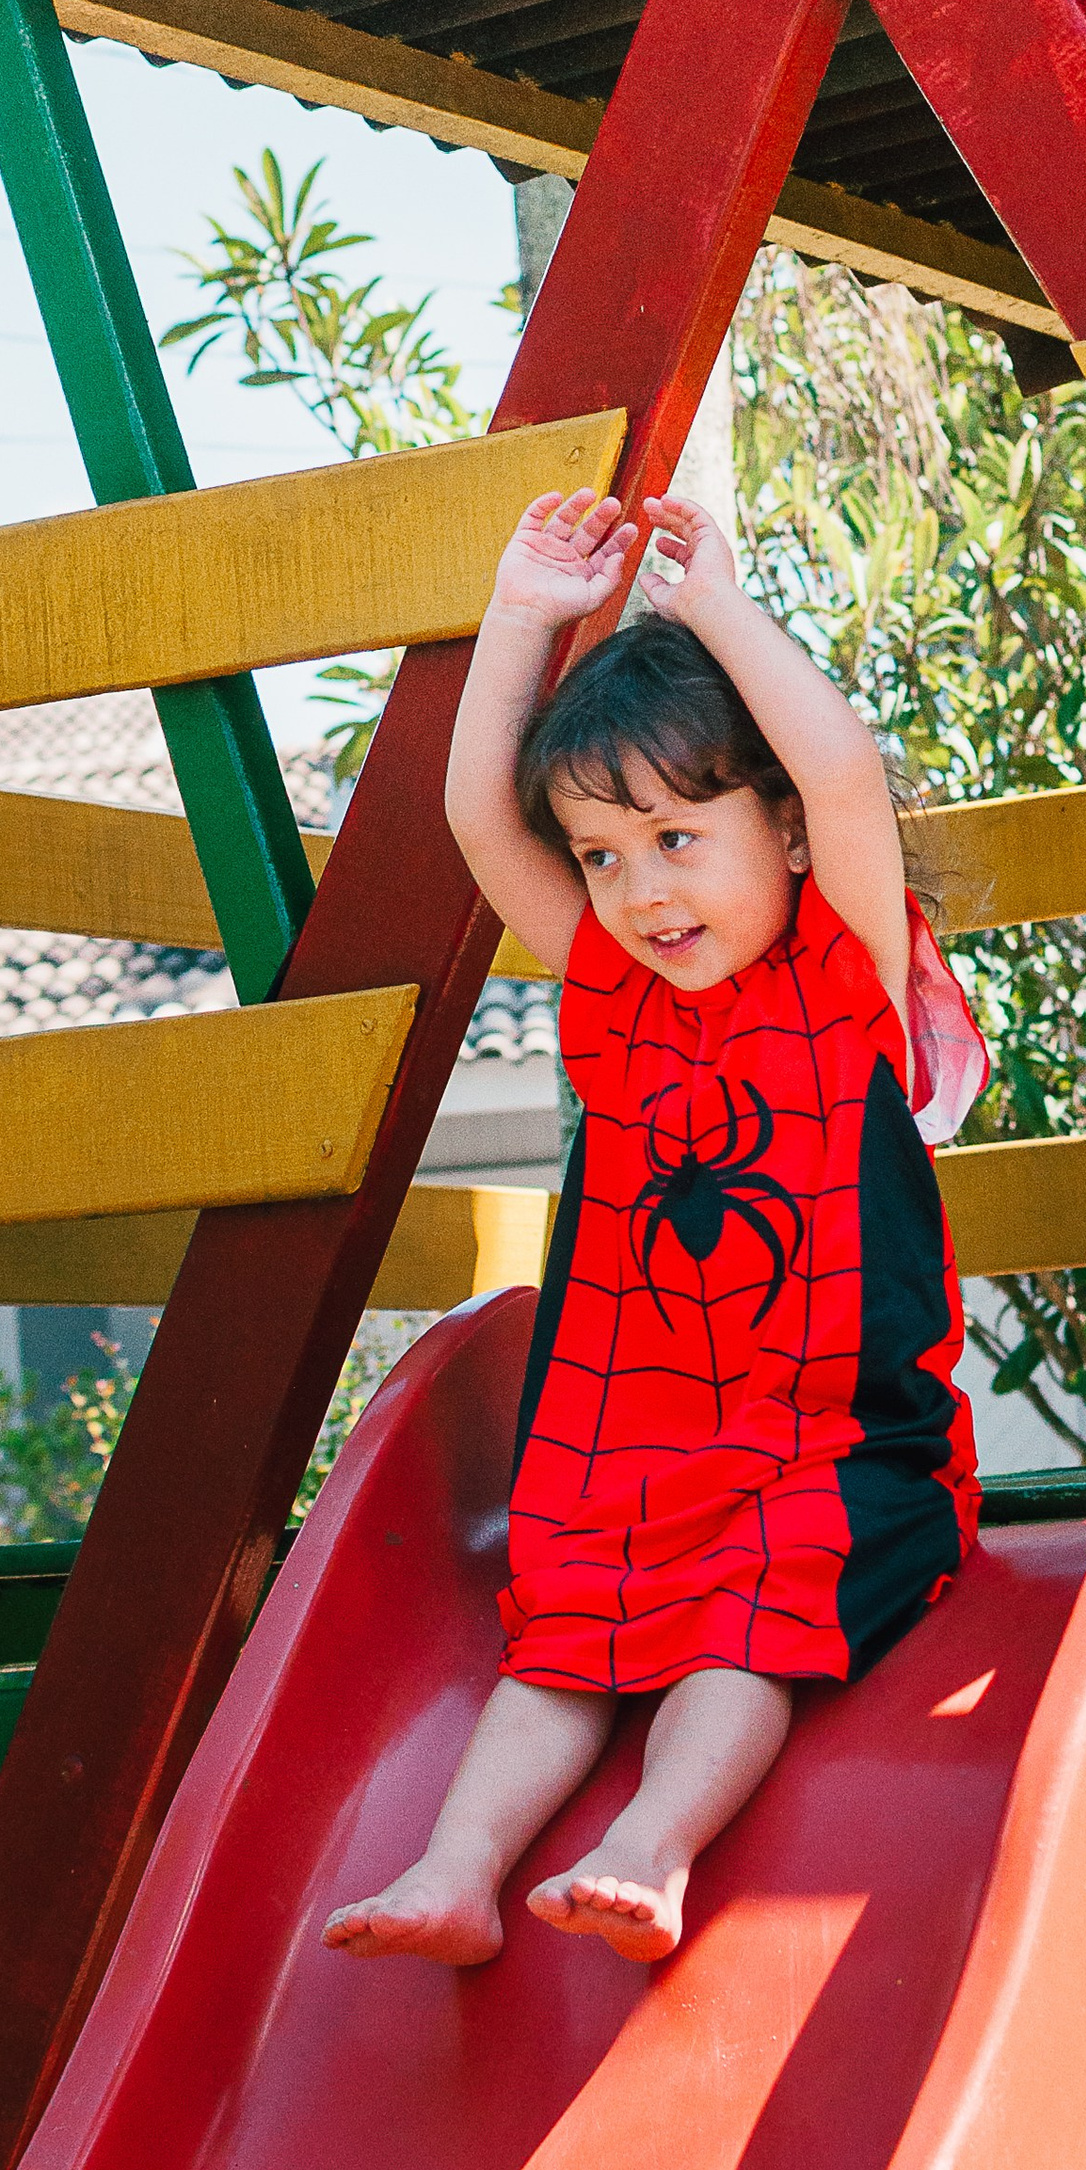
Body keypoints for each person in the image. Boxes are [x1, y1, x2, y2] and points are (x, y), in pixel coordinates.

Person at [322, 480, 987, 1968]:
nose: (639, 890)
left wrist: (714, 606)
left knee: (750, 1624)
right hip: (628, 1449)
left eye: (681, 839)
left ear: (788, 838)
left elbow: (845, 772)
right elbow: (477, 818)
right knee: (560, 1641)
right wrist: (520, 613)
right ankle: (457, 1871)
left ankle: (651, 1847)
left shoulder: (842, 983)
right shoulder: (613, 998)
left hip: (836, 1448)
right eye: (608, 858)